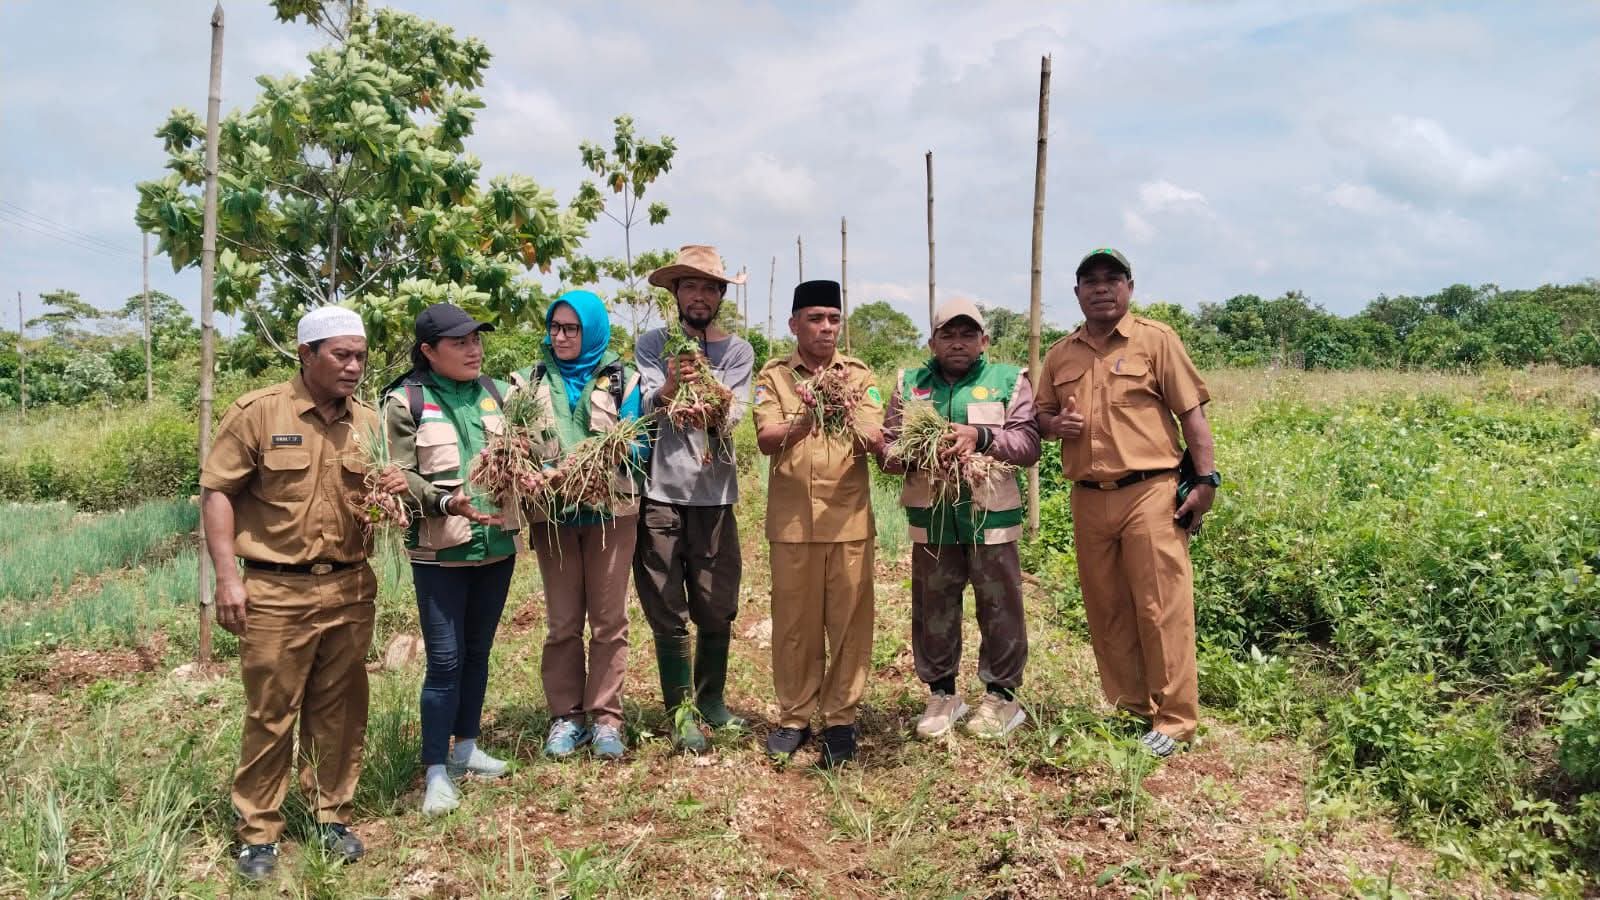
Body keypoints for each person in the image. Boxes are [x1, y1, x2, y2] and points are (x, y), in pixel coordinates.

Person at [200, 305, 404, 881]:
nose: (354, 366)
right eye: (341, 355)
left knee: (340, 710)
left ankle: (329, 817)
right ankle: (258, 833)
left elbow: (379, 503)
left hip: (349, 586)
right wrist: (227, 577)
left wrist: (391, 489)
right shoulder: (259, 413)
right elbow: (217, 493)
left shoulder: (369, 423)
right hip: (275, 589)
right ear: (306, 355)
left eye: (360, 356)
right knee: (272, 712)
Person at [1034, 248, 1221, 758]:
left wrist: (1206, 481)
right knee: (1107, 607)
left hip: (1150, 493)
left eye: (1112, 279)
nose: (1102, 288)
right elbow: (1041, 419)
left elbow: (1192, 416)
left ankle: (1175, 719)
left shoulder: (1156, 341)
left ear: (1129, 288)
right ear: (1077, 293)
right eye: (1090, 281)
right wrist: (1056, 425)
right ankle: (1132, 708)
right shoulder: (1060, 354)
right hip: (1089, 498)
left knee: (1161, 607)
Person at [879, 297, 1041, 741]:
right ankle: (942, 694)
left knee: (1000, 605)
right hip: (932, 518)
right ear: (931, 342)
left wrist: (981, 437)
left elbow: (1028, 445)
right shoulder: (911, 384)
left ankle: (1002, 697)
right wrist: (914, 452)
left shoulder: (1008, 380)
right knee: (933, 605)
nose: (957, 342)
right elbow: (886, 449)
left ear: (984, 341)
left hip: (990, 517)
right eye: (947, 334)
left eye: (967, 334)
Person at [382, 303, 519, 817]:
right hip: (440, 553)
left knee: (478, 652)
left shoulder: (497, 395)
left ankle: (467, 748)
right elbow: (397, 474)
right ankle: (435, 771)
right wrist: (443, 502)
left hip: (496, 546)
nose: (473, 349)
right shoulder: (407, 401)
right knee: (444, 661)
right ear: (428, 351)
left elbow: (525, 451)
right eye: (459, 342)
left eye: (476, 339)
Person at [753, 279, 884, 767]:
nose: (826, 327)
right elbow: (766, 437)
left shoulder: (858, 376)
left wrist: (843, 410)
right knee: (794, 624)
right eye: (815, 318)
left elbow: (873, 435)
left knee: (849, 624)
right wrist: (807, 419)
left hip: (848, 520)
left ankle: (841, 719)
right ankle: (794, 717)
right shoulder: (775, 376)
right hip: (792, 523)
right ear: (794, 324)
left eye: (833, 318)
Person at [513, 290, 645, 761]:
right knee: (563, 622)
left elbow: (640, 444)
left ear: (592, 332)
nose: (562, 337)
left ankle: (607, 718)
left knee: (609, 621)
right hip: (554, 518)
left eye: (572, 329)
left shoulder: (624, 379)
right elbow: (513, 441)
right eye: (555, 328)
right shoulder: (529, 382)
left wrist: (612, 452)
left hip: (611, 515)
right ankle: (566, 717)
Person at [633, 245, 756, 752]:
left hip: (715, 494)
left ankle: (711, 699)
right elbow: (646, 407)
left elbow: (733, 416)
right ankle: (679, 709)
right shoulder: (652, 344)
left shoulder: (738, 352)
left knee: (716, 600)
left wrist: (712, 394)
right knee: (665, 602)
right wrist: (669, 386)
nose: (699, 296)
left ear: (721, 295)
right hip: (661, 493)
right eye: (690, 286)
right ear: (675, 293)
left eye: (709, 287)